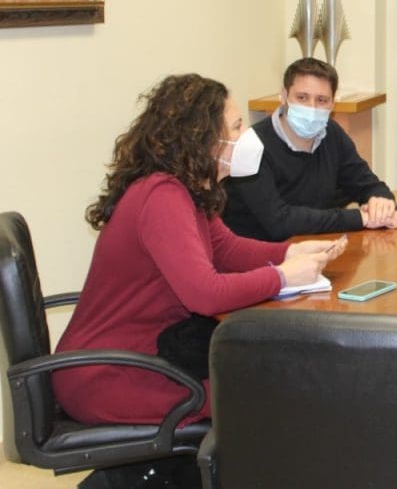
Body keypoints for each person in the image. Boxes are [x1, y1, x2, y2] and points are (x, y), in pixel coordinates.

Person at [53, 74, 345, 426]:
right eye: (236, 127)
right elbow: (205, 295)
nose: (246, 136)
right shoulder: (162, 196)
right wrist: (281, 277)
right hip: (111, 374)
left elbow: (226, 249)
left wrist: (290, 253)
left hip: (151, 354)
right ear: (204, 140)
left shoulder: (186, 189)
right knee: (267, 385)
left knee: (265, 370)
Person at [222, 57, 397, 241]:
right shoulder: (252, 145)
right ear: (283, 96)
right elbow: (279, 222)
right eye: (302, 98)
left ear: (332, 104)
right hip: (259, 252)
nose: (312, 108)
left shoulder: (332, 134)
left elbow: (368, 184)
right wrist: (360, 218)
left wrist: (380, 203)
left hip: (313, 247)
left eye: (322, 100)